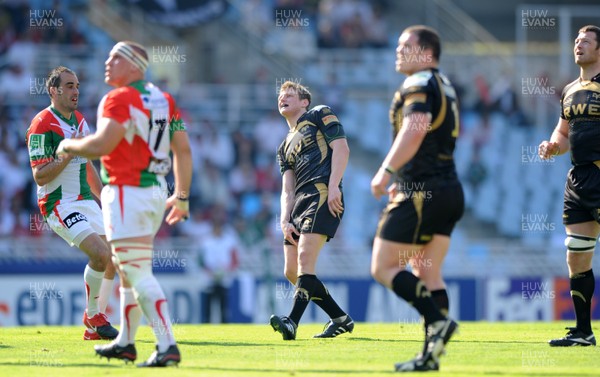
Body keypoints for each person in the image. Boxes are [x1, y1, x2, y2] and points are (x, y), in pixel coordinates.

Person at [56, 41, 192, 367]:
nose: (107, 62)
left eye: (114, 57)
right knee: (130, 271)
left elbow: (104, 143)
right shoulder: (165, 99)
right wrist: (183, 197)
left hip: (128, 191)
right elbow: (183, 151)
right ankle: (126, 343)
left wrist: (69, 146)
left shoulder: (118, 98)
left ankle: (167, 345)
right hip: (156, 191)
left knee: (137, 272)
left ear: (133, 65)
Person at [370, 25, 463, 372]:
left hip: (424, 192)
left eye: (405, 45)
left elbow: (416, 126)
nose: (398, 50)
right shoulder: (445, 84)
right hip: (449, 189)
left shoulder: (419, 82)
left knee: (382, 267)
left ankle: (438, 321)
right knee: (426, 271)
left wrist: (387, 171)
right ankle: (430, 356)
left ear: (426, 53)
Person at [25, 66, 118, 341]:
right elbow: (39, 175)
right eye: (68, 86)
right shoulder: (41, 124)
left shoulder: (80, 121)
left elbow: (87, 164)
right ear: (53, 91)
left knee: (111, 257)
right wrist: (66, 152)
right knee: (100, 254)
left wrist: (104, 200)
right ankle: (93, 316)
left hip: (84, 200)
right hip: (58, 203)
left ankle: (93, 327)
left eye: (77, 85)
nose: (75, 91)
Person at [270, 81, 353, 340]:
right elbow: (287, 189)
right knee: (292, 271)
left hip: (322, 193)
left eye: (289, 95)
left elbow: (341, 147)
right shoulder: (283, 146)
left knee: (305, 260)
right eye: (280, 96)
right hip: (299, 204)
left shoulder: (319, 113)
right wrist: (285, 219)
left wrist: (334, 186)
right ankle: (340, 318)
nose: (283, 98)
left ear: (304, 101)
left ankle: (292, 322)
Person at [538, 24, 600, 347]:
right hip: (578, 179)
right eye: (577, 41)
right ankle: (583, 331)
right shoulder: (570, 89)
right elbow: (562, 134)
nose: (579, 45)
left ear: (599, 49)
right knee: (576, 256)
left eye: (587, 41)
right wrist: (552, 146)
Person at [198, 204, 240, 324]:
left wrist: (226, 270)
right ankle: (206, 327)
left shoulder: (229, 240)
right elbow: (200, 260)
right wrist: (208, 270)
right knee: (207, 307)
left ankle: (224, 326)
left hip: (224, 277)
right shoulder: (205, 241)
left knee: (224, 307)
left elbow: (235, 259)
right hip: (209, 278)